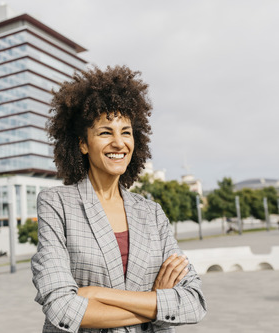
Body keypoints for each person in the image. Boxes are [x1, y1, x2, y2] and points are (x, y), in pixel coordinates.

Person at [31, 66, 206, 332]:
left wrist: (96, 294)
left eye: (126, 132)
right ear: (82, 143)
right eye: (105, 132)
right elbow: (62, 307)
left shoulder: (152, 212)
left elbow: (194, 302)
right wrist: (156, 303)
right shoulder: (56, 204)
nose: (118, 143)